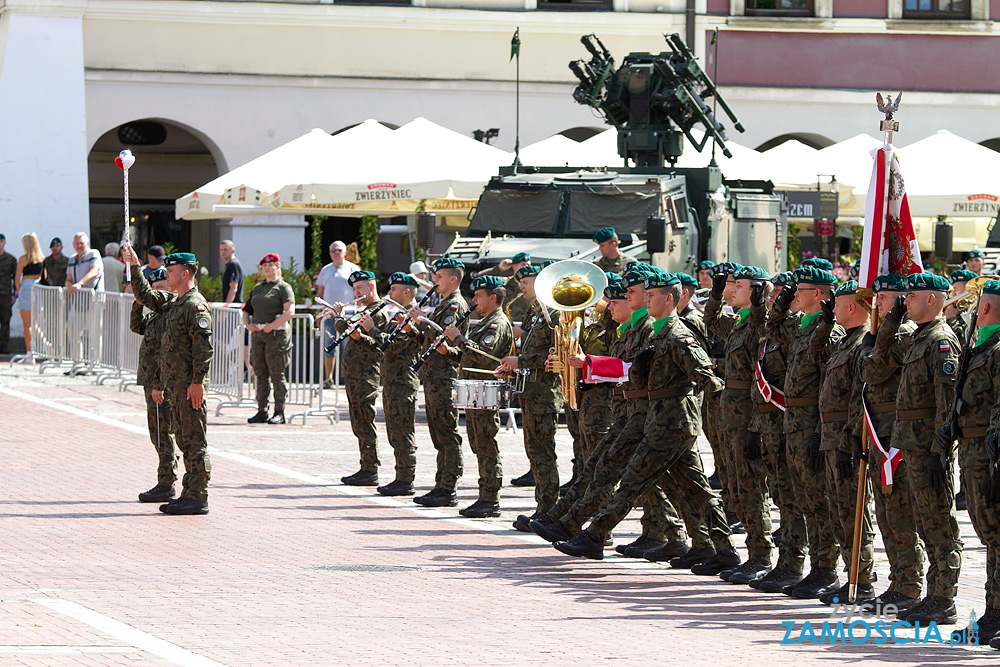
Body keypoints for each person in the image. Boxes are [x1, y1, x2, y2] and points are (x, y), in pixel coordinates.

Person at [550, 272, 737, 569]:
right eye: (645, 295)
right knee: (694, 490)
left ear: (669, 299)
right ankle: (718, 548)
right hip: (659, 420)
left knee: (633, 479)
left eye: (652, 296)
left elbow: (708, 379)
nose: (645, 300)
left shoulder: (679, 335)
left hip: (673, 422)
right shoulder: (657, 334)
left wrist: (732, 420)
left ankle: (595, 536)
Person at [869, 272, 961, 625]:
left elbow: (946, 402)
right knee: (922, 521)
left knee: (939, 525)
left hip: (927, 448)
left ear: (932, 300)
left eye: (911, 296)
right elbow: (880, 360)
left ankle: (944, 597)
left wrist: (940, 450)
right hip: (909, 445)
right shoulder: (918, 338)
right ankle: (928, 594)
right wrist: (891, 320)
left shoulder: (940, 341)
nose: (904, 301)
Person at [767, 266, 844, 599]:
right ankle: (810, 566)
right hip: (794, 422)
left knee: (819, 502)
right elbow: (771, 331)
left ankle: (825, 569)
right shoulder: (801, 327)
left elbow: (832, 387)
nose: (794, 293)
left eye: (801, 289)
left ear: (819, 294)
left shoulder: (830, 331)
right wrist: (780, 305)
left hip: (813, 423)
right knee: (804, 500)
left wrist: (818, 433)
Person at [123, 246, 214, 516]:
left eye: (171, 270)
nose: (167, 274)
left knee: (194, 441)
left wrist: (198, 382)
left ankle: (198, 496)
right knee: (185, 441)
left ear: (185, 273)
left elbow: (204, 348)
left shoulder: (194, 305)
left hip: (189, 387)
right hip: (176, 387)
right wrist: (135, 266)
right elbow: (144, 295)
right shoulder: (175, 303)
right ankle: (188, 493)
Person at [857, 274, 924, 614]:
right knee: (885, 513)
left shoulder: (901, 336)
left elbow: (872, 372)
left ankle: (910, 585)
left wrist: (875, 341)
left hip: (894, 437)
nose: (876, 304)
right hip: (877, 430)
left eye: (884, 298)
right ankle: (898, 582)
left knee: (899, 513)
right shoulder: (882, 334)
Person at [705, 264, 774, 582]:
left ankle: (761, 555)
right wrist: (716, 295)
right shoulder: (739, 323)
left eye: (738, 286)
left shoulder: (760, 324)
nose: (732, 289)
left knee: (750, 488)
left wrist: (754, 428)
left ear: (758, 291)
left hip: (748, 416)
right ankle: (752, 553)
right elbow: (711, 321)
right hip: (730, 415)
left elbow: (760, 381)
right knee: (735, 486)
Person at [813, 280, 877, 606]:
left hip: (845, 439)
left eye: (837, 303)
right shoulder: (844, 342)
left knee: (854, 513)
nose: (832, 307)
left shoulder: (862, 344)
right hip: (830, 436)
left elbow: (858, 399)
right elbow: (814, 354)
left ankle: (862, 581)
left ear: (852, 307)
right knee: (838, 511)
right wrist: (825, 324)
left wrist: (846, 440)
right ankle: (851, 577)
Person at [747, 271, 809, 594]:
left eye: (781, 295)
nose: (774, 300)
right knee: (781, 495)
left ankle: (794, 562)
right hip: (768, 423)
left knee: (792, 497)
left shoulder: (795, 329)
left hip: (787, 422)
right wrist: (755, 428)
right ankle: (785, 561)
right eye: (774, 296)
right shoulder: (772, 332)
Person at [439, 275, 513, 517]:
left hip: (486, 389)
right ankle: (485, 496)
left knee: (486, 444)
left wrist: (458, 339)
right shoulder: (483, 322)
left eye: (479, 295)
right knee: (477, 443)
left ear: (493, 297)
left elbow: (485, 357)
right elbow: (469, 358)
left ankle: (490, 498)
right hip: (475, 388)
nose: (474, 299)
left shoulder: (497, 324)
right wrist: (449, 351)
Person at [500, 264, 563, 530]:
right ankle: (543, 507)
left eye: (524, 282)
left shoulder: (556, 315)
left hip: (544, 393)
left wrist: (521, 360)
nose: (521, 287)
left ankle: (550, 509)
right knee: (534, 452)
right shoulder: (535, 313)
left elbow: (554, 355)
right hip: (530, 391)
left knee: (544, 453)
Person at [956, 279, 1000, 644]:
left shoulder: (997, 349)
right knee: (990, 536)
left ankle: (996, 614)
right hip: (972, 453)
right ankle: (993, 613)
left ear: (983, 308)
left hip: (989, 454)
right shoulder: (980, 346)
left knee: (997, 535)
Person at [408, 257, 470, 507]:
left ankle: (448, 487)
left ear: (452, 279)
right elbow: (429, 341)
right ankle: (441, 484)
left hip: (445, 376)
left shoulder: (456, 305)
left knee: (446, 432)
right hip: (434, 376)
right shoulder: (444, 303)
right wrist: (414, 327)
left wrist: (422, 322)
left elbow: (448, 341)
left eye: (439, 276)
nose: (435, 281)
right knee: (438, 433)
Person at [329, 270, 389, 486]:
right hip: (355, 375)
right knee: (358, 423)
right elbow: (346, 329)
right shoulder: (365, 310)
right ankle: (365, 466)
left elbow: (382, 346)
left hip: (366, 375)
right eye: (354, 289)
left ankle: (370, 469)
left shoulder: (378, 313)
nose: (356, 292)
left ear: (371, 287)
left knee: (365, 421)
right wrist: (337, 316)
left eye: (360, 289)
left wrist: (360, 336)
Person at [365, 272, 422, 496]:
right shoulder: (399, 314)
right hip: (392, 381)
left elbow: (393, 345)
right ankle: (400, 476)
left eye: (393, 290)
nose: (388, 293)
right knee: (394, 432)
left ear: (406, 292)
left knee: (403, 432)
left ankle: (406, 479)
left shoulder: (413, 316)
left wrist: (372, 328)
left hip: (403, 383)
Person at [129, 267, 178, 504]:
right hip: (151, 381)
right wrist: (139, 301)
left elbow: (165, 353)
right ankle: (166, 477)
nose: (154, 294)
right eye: (152, 290)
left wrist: (159, 384)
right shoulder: (154, 316)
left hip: (161, 382)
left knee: (163, 431)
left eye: (159, 289)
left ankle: (166, 481)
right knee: (157, 431)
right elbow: (135, 326)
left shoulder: (169, 313)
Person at [243, 253, 295, 425]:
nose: (267, 268)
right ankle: (262, 410)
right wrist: (247, 324)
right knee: (260, 372)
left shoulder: (283, 287)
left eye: (271, 265)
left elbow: (290, 311)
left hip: (276, 335)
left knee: (277, 373)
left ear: (278, 267)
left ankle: (279, 412)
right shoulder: (258, 288)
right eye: (264, 265)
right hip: (258, 334)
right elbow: (247, 309)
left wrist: (270, 326)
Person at [317, 241, 359, 386]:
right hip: (329, 315)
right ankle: (328, 378)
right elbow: (320, 293)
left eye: (339, 250)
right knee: (329, 347)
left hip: (349, 315)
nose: (336, 252)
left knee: (349, 347)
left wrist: (359, 312)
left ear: (345, 252)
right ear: (329, 253)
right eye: (333, 250)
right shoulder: (325, 269)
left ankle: (351, 377)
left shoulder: (352, 268)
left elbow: (359, 291)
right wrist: (319, 314)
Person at [14, 232, 45, 361]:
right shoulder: (42, 259)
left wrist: (18, 290)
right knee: (35, 323)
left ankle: (29, 354)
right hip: (38, 288)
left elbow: (17, 279)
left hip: (26, 287)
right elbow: (45, 277)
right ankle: (45, 344)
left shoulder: (23, 258)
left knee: (27, 324)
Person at [219, 240, 244, 306]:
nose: (223, 252)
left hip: (233, 307)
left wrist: (226, 307)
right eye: (221, 250)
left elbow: (233, 288)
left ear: (233, 251)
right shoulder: (229, 264)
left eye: (225, 250)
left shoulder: (233, 264)